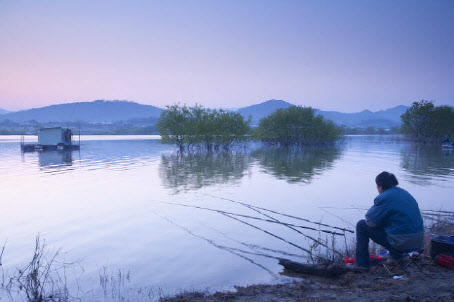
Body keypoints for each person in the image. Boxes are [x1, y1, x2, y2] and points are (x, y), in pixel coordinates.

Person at [347, 171, 424, 271]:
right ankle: (396, 256)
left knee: (361, 225)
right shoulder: (405, 193)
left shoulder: (384, 197)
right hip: (418, 242)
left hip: (402, 243)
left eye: (377, 186)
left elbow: (370, 222)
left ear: (380, 186)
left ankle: (362, 264)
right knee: (392, 225)